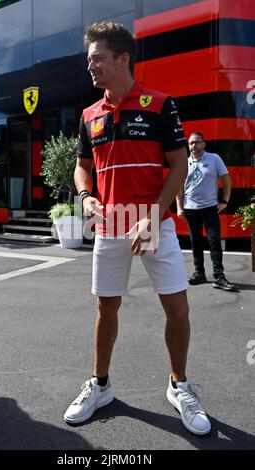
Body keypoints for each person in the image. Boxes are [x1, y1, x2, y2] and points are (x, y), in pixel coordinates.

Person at [64, 21, 211, 436]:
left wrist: (152, 212)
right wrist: (85, 196)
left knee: (177, 308)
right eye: (89, 59)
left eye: (97, 58)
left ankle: (179, 385)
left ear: (122, 57)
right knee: (106, 308)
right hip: (110, 227)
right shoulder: (89, 115)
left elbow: (179, 164)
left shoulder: (160, 104)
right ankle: (101, 386)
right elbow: (82, 167)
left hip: (156, 224)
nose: (90, 67)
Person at [176, 132, 236, 291]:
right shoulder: (185, 163)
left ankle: (219, 277)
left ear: (204, 144)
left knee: (214, 241)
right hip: (190, 209)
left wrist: (225, 201)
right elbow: (178, 188)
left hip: (210, 208)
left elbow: (226, 179)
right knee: (195, 242)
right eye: (190, 143)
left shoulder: (214, 159)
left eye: (196, 142)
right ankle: (199, 273)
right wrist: (179, 207)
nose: (193, 146)